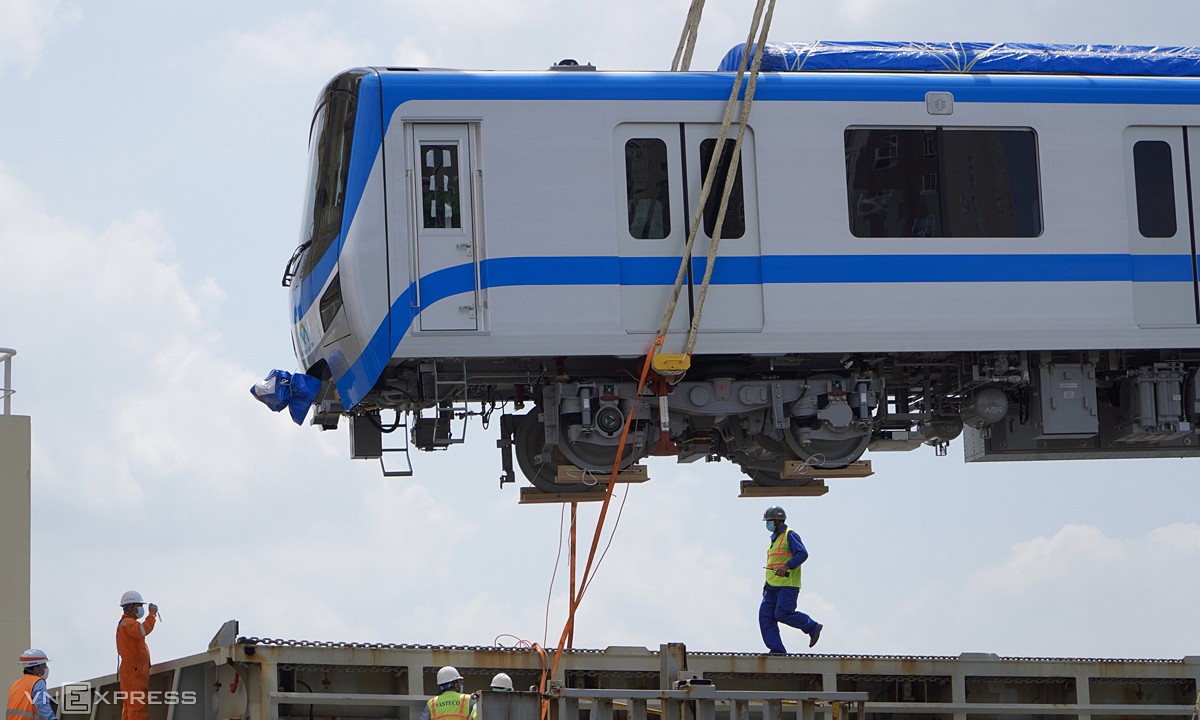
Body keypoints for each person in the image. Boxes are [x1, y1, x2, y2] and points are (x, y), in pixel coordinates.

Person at [758, 506, 822, 654]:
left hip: (787, 585)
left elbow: (802, 554)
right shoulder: (773, 540)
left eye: (770, 521)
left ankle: (812, 626)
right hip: (771, 587)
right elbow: (772, 563)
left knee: (782, 613)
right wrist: (765, 586)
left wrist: (787, 566)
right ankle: (777, 650)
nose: (768, 524)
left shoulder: (790, 535)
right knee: (765, 616)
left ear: (779, 521)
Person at [116, 590, 158, 720]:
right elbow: (143, 630)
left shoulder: (126, 624)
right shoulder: (128, 624)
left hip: (131, 671)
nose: (140, 609)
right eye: (138, 606)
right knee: (137, 707)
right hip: (134, 671)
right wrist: (152, 614)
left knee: (130, 708)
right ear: (129, 607)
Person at [6, 649, 56, 720]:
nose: (46, 668)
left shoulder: (15, 684)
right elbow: (42, 705)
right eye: (44, 665)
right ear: (36, 668)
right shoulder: (38, 682)